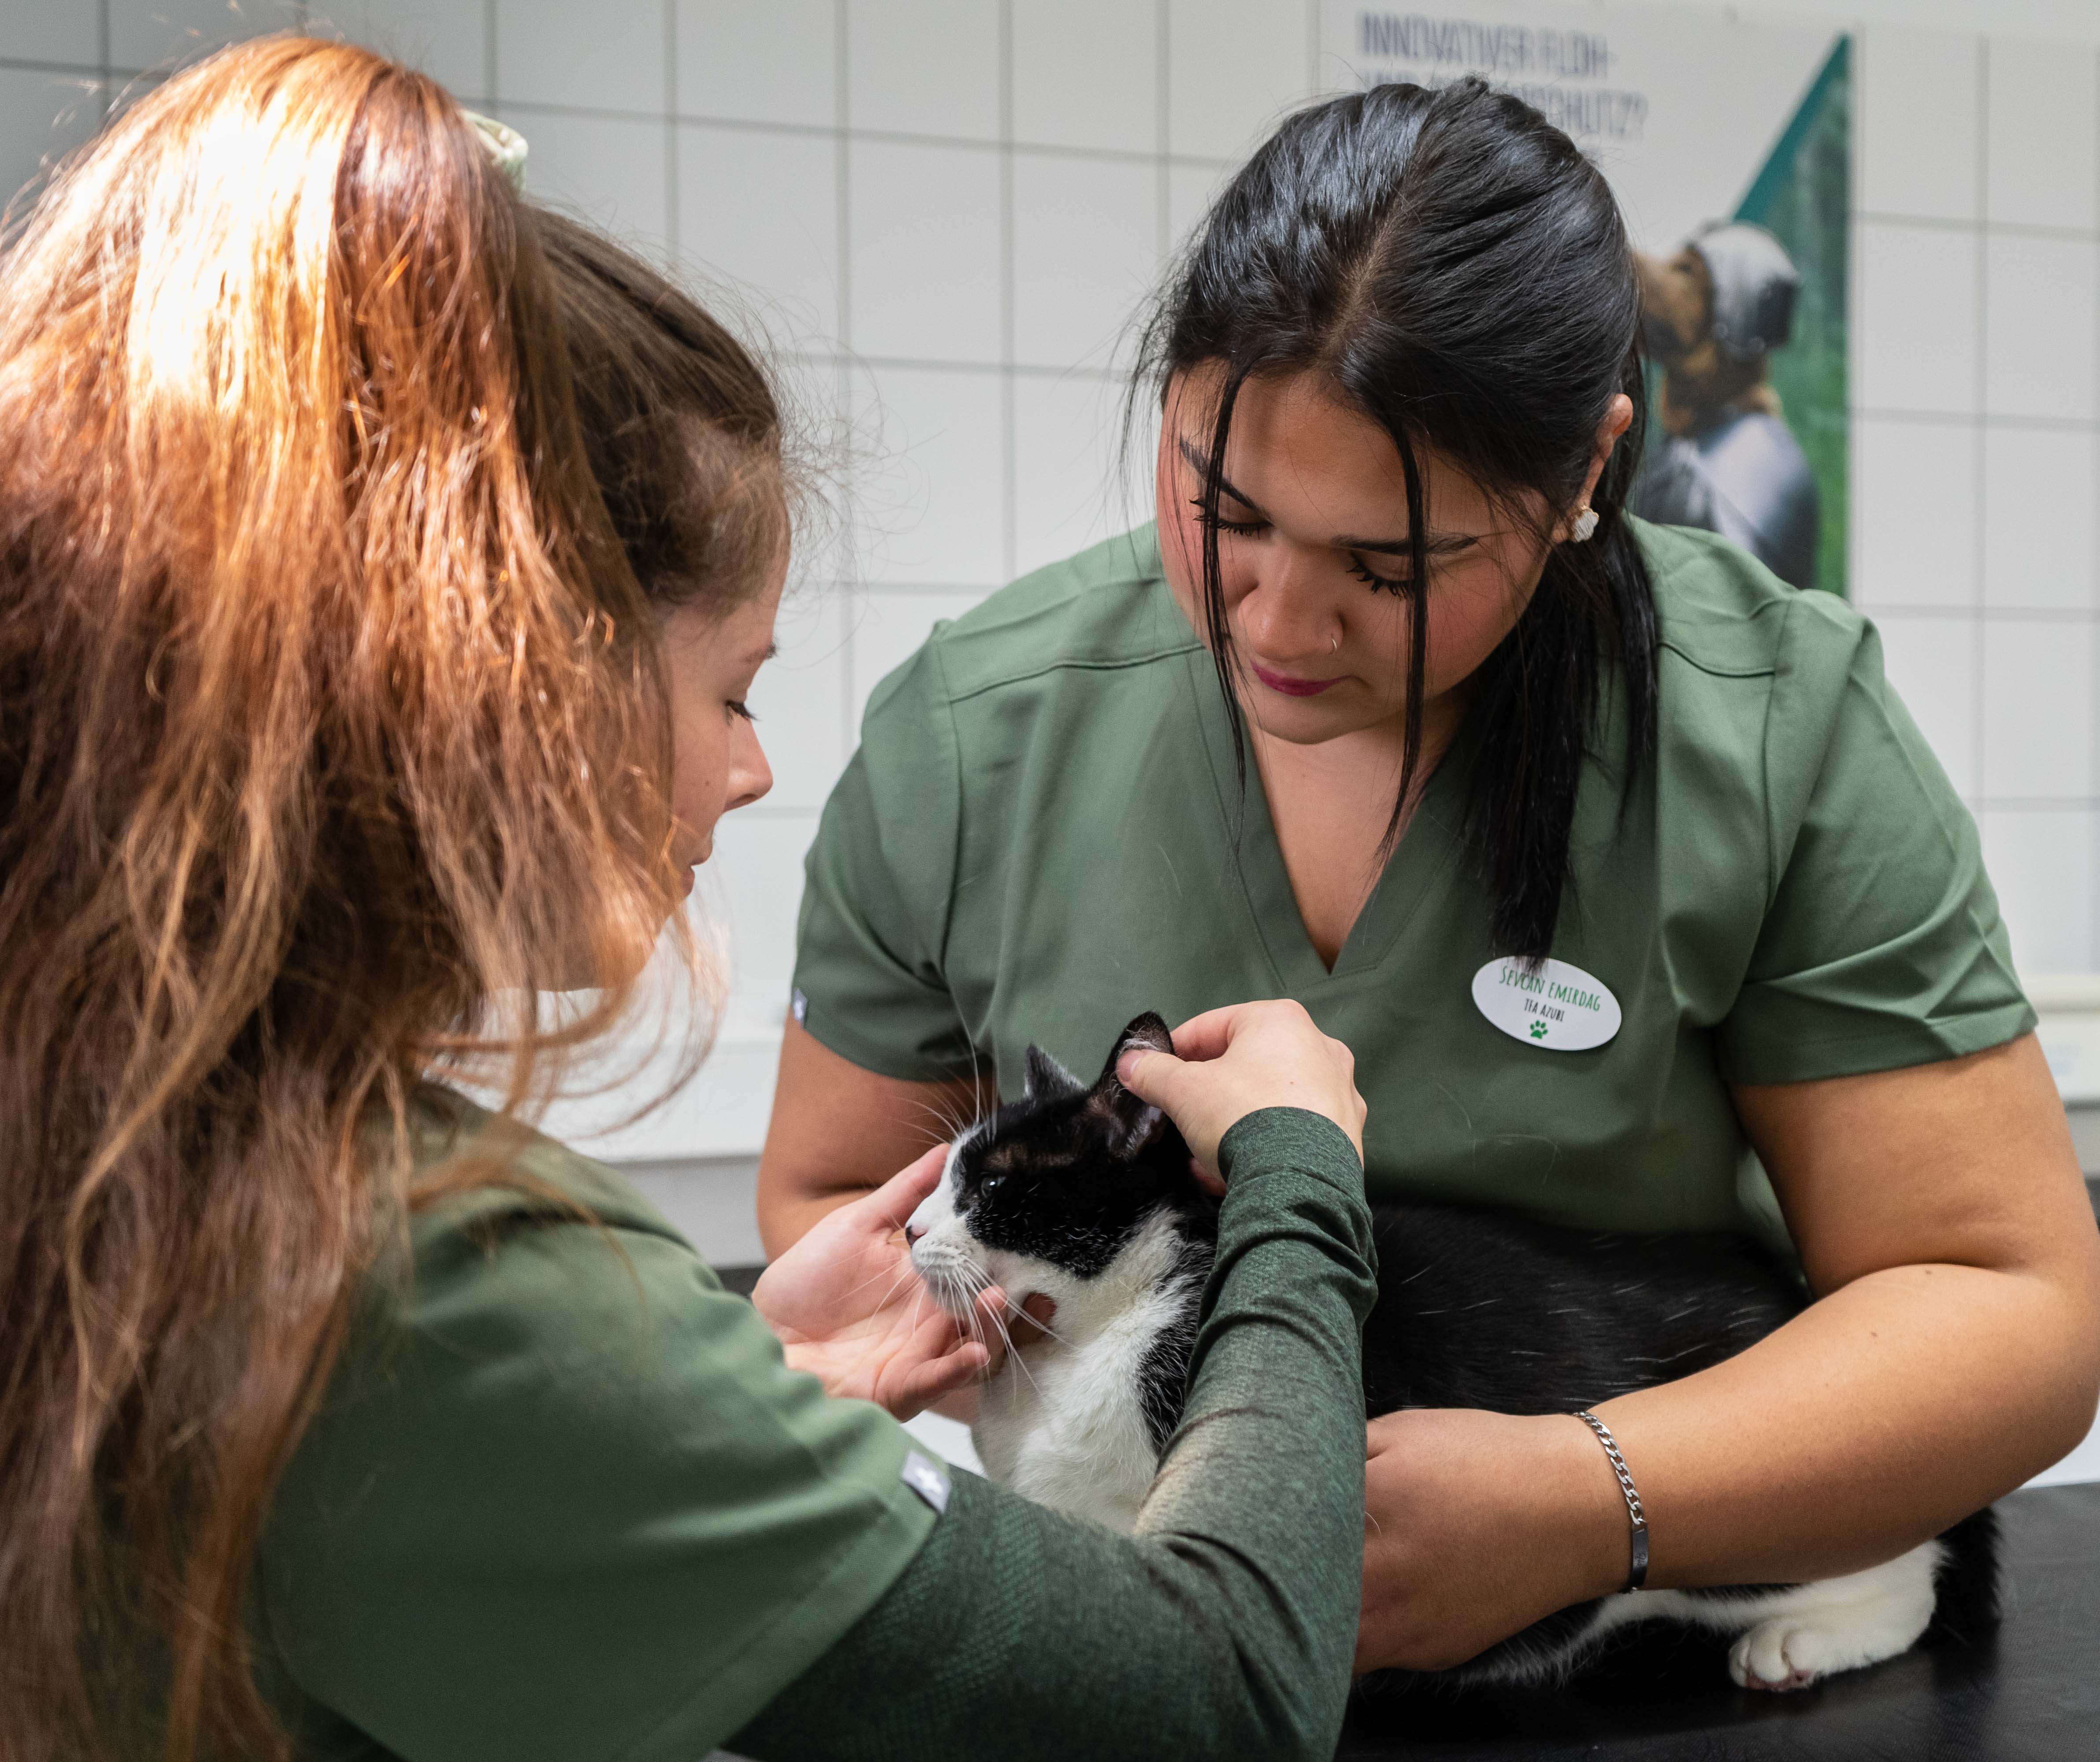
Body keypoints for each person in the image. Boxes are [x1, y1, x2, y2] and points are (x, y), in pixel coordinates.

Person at [0, 37, 1382, 1762]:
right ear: (509, 665)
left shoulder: (129, 1131)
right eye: (731, 691)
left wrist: (726, 1378)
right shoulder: (426, 1284)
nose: (750, 768)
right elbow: (1219, 1700)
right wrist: (1300, 1179)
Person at [762, 77, 2100, 1676]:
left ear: (1586, 471)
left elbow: (2008, 1310)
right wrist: (1019, 1380)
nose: (1275, 622)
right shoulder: (974, 736)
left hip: (1650, 1665)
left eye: (1390, 564)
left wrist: (1591, 1501)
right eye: (1222, 508)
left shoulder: (1774, 732)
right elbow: (839, 1208)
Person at [1632, 221, 1821, 591]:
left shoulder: (1724, 473)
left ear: (1733, 313)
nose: (1660, 274)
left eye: (1685, 271)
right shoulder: (1704, 442)